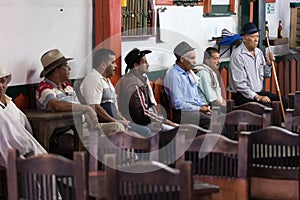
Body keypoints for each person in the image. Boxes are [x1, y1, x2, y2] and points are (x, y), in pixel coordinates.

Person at [36, 49, 124, 148]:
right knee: (110, 142)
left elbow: (79, 107)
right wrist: (86, 108)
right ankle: (121, 160)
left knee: (117, 127)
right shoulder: (45, 88)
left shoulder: (68, 86)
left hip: (84, 127)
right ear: (57, 71)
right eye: (66, 65)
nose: (69, 68)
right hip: (69, 132)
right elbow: (56, 105)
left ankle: (124, 160)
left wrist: (92, 124)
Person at [80, 48, 152, 137]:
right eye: (113, 62)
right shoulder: (93, 79)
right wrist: (116, 121)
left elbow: (114, 108)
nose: (116, 66)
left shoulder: (106, 80)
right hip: (104, 125)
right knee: (145, 132)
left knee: (147, 128)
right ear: (103, 64)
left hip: (115, 121)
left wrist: (123, 119)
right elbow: (95, 107)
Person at [228, 22, 288, 108]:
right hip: (243, 96)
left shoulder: (258, 52)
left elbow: (267, 75)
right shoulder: (237, 55)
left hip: (258, 93)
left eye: (257, 36)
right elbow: (240, 85)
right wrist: (257, 97)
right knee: (267, 108)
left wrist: (268, 63)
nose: (256, 40)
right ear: (244, 38)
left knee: (284, 101)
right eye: (253, 37)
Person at [117, 48, 176, 132]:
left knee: (177, 128)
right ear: (136, 66)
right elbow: (141, 113)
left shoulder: (141, 78)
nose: (148, 64)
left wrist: (159, 118)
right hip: (139, 122)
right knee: (175, 131)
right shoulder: (133, 84)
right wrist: (164, 120)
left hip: (146, 120)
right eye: (144, 62)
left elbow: (149, 105)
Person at [0, 68, 47, 166]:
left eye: (2, 81)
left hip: (26, 148)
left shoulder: (9, 103)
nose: (1, 86)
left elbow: (24, 125)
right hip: (9, 152)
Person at [163, 41, 211, 129]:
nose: (194, 62)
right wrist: (199, 109)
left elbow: (195, 96)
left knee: (219, 116)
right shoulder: (174, 75)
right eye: (192, 58)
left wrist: (203, 106)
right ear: (182, 59)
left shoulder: (189, 73)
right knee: (211, 121)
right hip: (182, 114)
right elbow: (177, 103)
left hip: (193, 110)